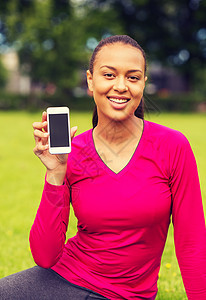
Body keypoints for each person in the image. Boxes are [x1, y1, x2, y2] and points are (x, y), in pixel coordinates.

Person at [0, 35, 206, 300]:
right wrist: (55, 173)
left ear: (143, 83)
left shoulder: (172, 146)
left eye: (132, 77)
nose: (120, 86)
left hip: (128, 294)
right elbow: (45, 256)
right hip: (66, 278)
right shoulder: (72, 152)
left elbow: (192, 241)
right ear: (90, 80)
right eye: (109, 75)